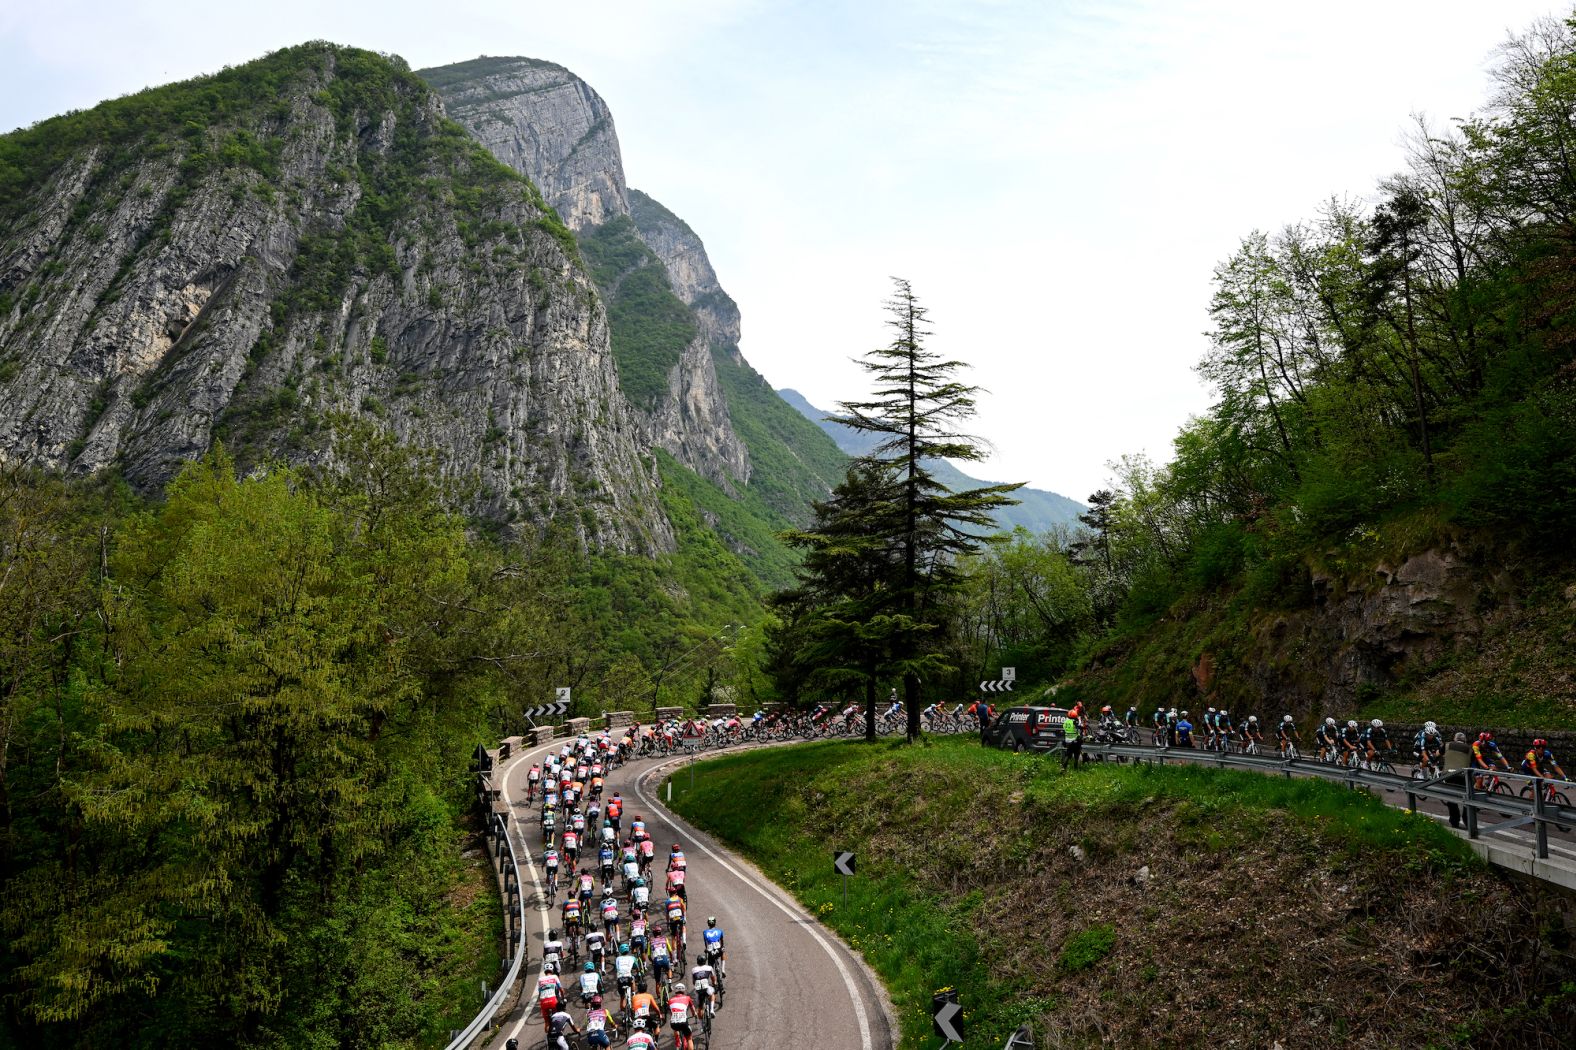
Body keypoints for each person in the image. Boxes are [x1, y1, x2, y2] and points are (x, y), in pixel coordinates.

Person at [1443, 731, 1473, 828]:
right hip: (1463, 776)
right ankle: (1467, 820)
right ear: (1465, 741)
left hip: (1449, 775)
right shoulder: (1470, 749)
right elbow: (1472, 762)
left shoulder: (1447, 745)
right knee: (1466, 798)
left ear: (1454, 739)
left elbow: (1438, 754)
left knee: (1451, 799)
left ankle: (1454, 821)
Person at [668, 981, 695, 1049]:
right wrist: (695, 1014)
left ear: (676, 990)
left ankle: (678, 1042)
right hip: (683, 1022)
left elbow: (671, 1012)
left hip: (673, 1023)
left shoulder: (670, 1000)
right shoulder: (687, 998)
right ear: (683, 990)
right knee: (689, 1038)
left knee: (675, 1028)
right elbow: (693, 1009)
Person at [701, 915, 726, 983]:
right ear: (715, 923)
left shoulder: (705, 932)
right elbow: (722, 941)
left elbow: (705, 943)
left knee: (710, 966)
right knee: (723, 952)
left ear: (708, 924)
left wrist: (706, 950)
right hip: (718, 949)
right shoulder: (719, 931)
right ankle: (723, 969)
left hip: (710, 951)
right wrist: (722, 947)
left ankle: (714, 982)